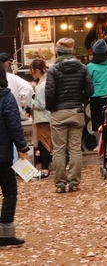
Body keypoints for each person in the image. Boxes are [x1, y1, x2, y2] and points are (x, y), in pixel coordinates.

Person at [45, 37, 94, 193]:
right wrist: (80, 100)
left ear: (58, 51)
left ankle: (60, 183)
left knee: (59, 149)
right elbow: (90, 90)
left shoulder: (53, 70)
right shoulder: (83, 68)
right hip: (76, 111)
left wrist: (50, 107)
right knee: (75, 148)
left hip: (58, 112)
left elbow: (49, 92)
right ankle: (74, 181)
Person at [0, 69, 29, 246]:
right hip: (2, 153)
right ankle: (5, 232)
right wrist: (22, 147)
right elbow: (13, 124)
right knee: (10, 191)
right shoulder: (5, 96)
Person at [86, 39, 107, 135]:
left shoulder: (90, 66)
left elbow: (87, 82)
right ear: (106, 52)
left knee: (97, 125)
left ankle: (100, 146)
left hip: (95, 98)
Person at [28, 59, 52, 178]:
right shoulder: (48, 81)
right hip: (48, 117)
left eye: (32, 72)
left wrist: (29, 101)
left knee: (44, 144)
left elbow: (41, 104)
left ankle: (45, 169)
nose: (32, 74)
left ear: (37, 70)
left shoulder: (41, 86)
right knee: (49, 143)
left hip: (43, 118)